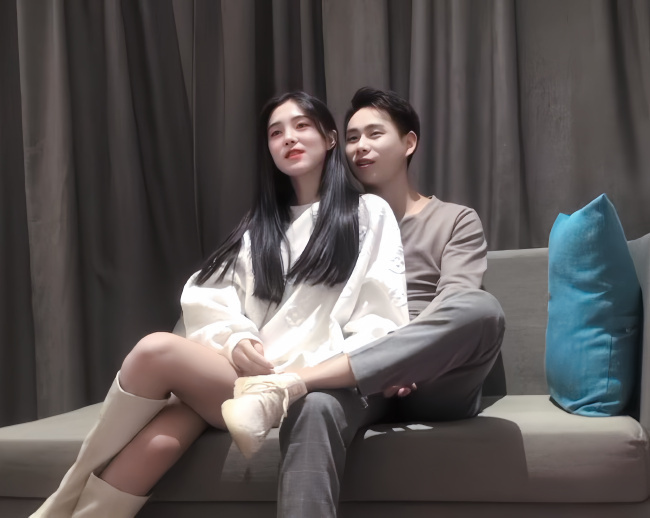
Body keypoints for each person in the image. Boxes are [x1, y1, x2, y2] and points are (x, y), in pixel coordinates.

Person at [30, 91, 408, 518]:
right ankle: (67, 503)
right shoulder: (259, 228)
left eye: (302, 125)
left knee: (157, 351)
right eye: (275, 132)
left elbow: (380, 310)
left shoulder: (367, 213)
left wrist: (323, 372)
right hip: (240, 379)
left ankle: (61, 498)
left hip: (304, 384)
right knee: (159, 442)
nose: (288, 138)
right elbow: (209, 297)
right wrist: (236, 339)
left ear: (330, 137)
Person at [223, 87, 506, 517]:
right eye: (353, 137)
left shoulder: (454, 219)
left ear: (408, 143)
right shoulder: (336, 222)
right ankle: (299, 385)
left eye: (374, 134)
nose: (360, 147)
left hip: (434, 377)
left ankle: (292, 381)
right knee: (314, 406)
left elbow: (457, 297)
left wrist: (403, 357)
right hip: (355, 374)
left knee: (482, 310)